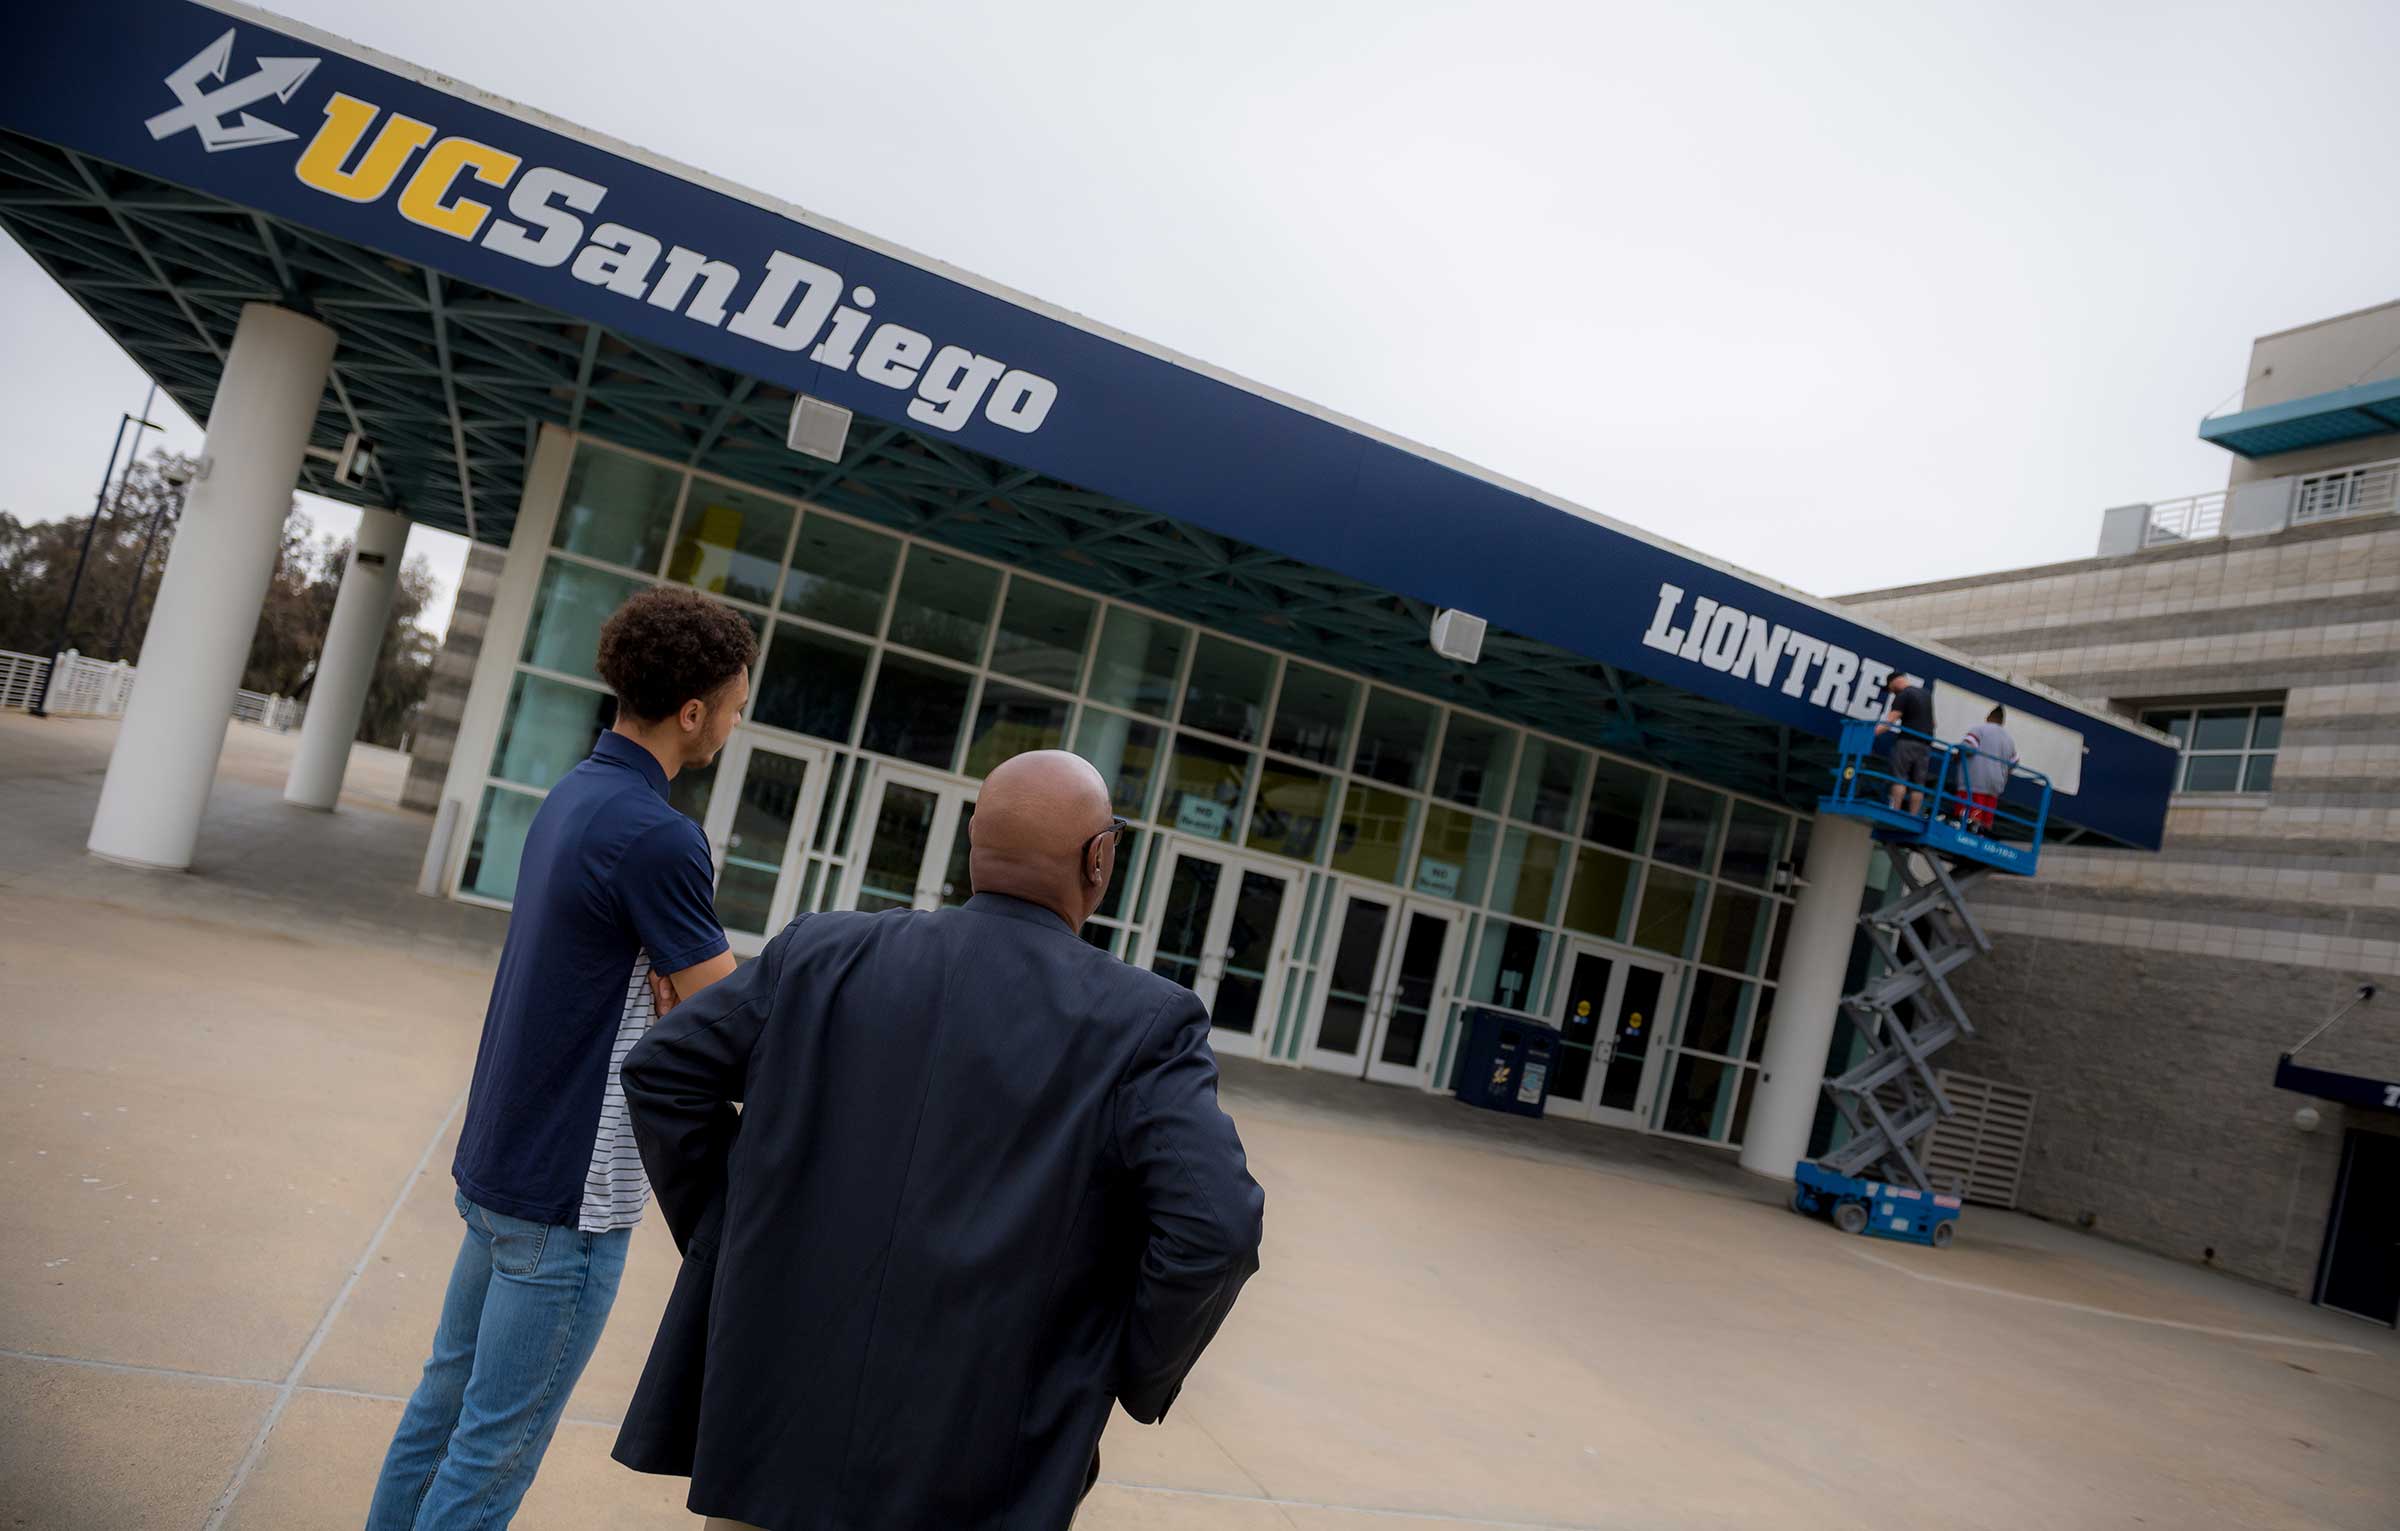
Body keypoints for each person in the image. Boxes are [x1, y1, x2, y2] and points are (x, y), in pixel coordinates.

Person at [614, 750, 1266, 1531]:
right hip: (980, 1472)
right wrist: (1130, 1364)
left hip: (776, 1445)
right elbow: (1217, 1226)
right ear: (1100, 858)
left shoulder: (821, 953)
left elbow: (662, 1072)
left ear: (972, 842)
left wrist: (745, 1239)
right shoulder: (1142, 1023)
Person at [366, 587, 757, 1529]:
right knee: (493, 1451)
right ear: (693, 711)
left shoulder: (576, 796)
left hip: (503, 1165)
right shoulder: (662, 837)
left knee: (440, 1411)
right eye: (737, 708)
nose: (737, 725)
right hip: (570, 1202)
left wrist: (677, 986)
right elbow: (732, 1018)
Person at [1877, 670, 1938, 815]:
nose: (1892, 692)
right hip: (1925, 744)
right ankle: (1913, 815)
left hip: (1907, 742)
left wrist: (1871, 732)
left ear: (1894, 682)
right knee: (1918, 784)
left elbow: (1889, 721)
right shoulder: (1926, 694)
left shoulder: (1903, 695)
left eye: (1890, 688)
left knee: (1899, 778)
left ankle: (1894, 810)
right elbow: (1934, 723)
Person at [1959, 705, 2020, 832]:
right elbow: (2014, 762)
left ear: (1988, 717)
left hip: (1975, 783)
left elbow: (1966, 748)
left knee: (1971, 817)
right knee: (1985, 821)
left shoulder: (1979, 729)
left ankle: (1969, 836)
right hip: (1995, 787)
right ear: (2002, 722)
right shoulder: (2009, 740)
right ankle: (1981, 838)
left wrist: (1956, 757)